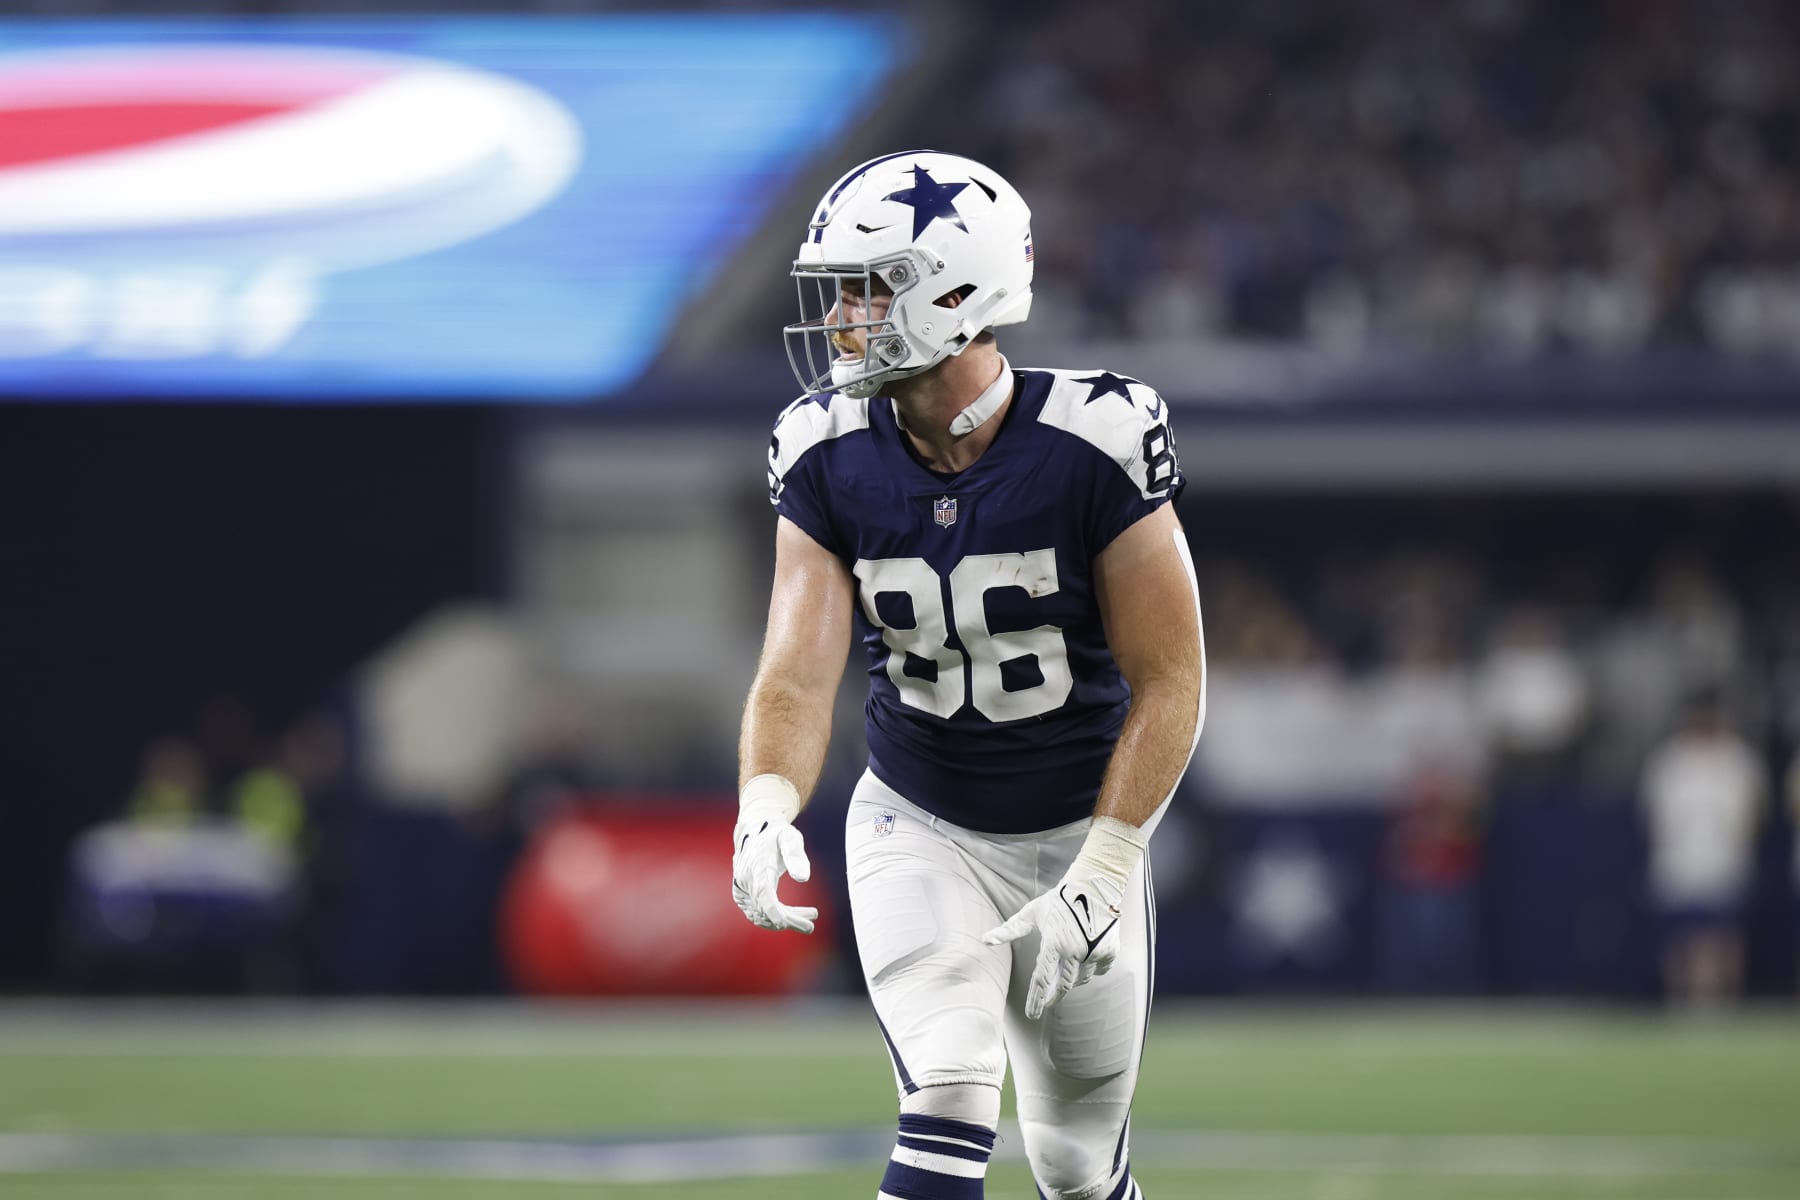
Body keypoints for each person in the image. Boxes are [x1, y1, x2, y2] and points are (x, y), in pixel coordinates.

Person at [731, 151, 1205, 1200]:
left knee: (1079, 1164)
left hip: (1079, 835)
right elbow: (797, 678)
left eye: (868, 286)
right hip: (920, 822)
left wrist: (1108, 868)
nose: (844, 317)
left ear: (957, 288)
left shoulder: (1097, 436)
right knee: (948, 1089)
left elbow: (1171, 680)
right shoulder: (823, 449)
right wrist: (766, 802)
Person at [1639, 694, 1765, 1009]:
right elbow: (1651, 814)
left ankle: (1721, 1001)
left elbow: (1753, 812)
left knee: (1722, 937)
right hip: (1679, 863)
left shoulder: (1738, 760)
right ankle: (1681, 1001)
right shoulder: (1669, 760)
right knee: (1680, 938)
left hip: (1723, 862)